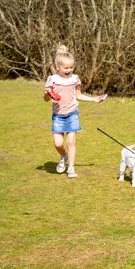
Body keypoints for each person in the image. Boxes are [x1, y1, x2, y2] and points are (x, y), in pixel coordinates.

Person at [44, 45, 106, 178]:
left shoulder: (75, 79)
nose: (69, 70)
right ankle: (63, 156)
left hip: (72, 113)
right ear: (58, 67)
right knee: (58, 143)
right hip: (58, 116)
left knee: (71, 142)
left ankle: (71, 168)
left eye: (71, 67)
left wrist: (93, 99)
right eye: (66, 68)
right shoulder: (53, 79)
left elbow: (78, 95)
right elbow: (45, 99)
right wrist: (49, 94)